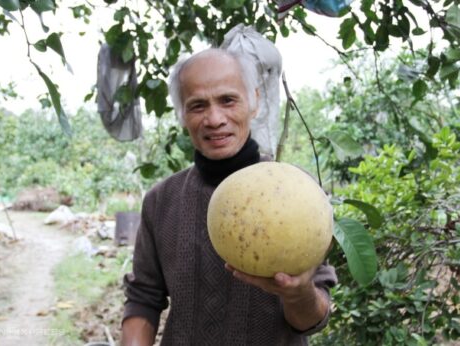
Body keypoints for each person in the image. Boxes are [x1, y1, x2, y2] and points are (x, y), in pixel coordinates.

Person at [120, 48, 337, 346]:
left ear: (255, 102)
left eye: (228, 100)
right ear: (182, 115)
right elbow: (144, 298)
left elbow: (311, 320)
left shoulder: (298, 195)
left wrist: (298, 293)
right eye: (198, 106)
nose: (214, 118)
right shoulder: (161, 200)